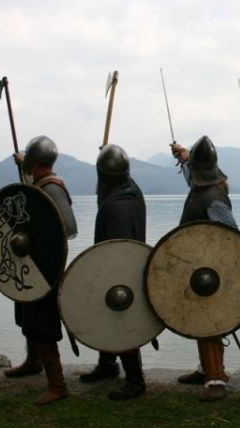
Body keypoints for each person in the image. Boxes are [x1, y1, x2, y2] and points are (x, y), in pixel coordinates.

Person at [169, 135, 238, 402]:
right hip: (195, 267)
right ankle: (205, 369)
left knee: (209, 321)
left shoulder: (214, 198)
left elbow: (232, 238)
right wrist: (183, 154)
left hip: (210, 271)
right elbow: (191, 173)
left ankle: (217, 378)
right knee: (199, 319)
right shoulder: (201, 185)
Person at [10, 135, 77, 405]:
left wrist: (38, 241)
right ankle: (33, 361)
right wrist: (24, 165)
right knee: (28, 315)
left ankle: (57, 385)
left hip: (46, 269)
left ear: (35, 161)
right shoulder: (39, 185)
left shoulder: (52, 188)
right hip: (32, 265)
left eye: (28, 159)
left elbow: (68, 228)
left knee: (42, 321)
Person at [78, 144, 148, 401]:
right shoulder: (132, 190)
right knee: (106, 316)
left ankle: (135, 379)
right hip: (121, 265)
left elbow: (116, 252)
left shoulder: (116, 207)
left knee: (121, 318)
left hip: (120, 271)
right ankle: (107, 364)